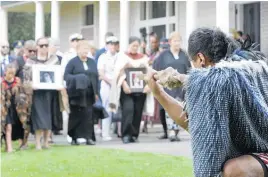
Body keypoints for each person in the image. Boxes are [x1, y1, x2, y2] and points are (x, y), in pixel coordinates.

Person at [145, 27, 268, 177]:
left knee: (233, 170)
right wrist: (175, 82)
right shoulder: (254, 67)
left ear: (201, 59)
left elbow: (199, 133)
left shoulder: (213, 84)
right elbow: (194, 121)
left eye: (193, 63)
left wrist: (161, 90)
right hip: (260, 151)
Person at [109, 36, 150, 144]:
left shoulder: (143, 58)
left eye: (137, 46)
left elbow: (148, 73)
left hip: (140, 90)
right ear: (129, 45)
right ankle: (126, 135)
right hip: (127, 90)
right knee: (128, 110)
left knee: (138, 111)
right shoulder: (122, 57)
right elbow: (118, 73)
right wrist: (124, 84)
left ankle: (134, 135)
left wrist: (147, 85)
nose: (135, 48)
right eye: (133, 45)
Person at [153, 32, 191, 141]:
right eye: (175, 41)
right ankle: (171, 132)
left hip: (181, 88)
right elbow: (156, 69)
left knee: (180, 108)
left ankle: (175, 131)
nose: (177, 43)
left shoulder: (184, 55)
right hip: (168, 87)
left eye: (179, 41)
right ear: (170, 42)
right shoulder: (163, 55)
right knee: (169, 108)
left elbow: (189, 70)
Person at [64, 40, 99, 146]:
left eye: (87, 49)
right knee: (76, 115)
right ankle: (74, 137)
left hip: (89, 93)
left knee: (88, 115)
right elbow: (66, 76)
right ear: (77, 50)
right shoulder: (72, 62)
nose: (85, 51)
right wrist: (78, 78)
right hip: (76, 93)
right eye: (83, 49)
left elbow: (96, 77)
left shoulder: (92, 62)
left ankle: (88, 137)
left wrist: (96, 92)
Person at [97, 36, 120, 141]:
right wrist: (111, 82)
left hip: (118, 84)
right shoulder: (103, 57)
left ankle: (118, 131)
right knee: (108, 108)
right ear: (107, 45)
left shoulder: (120, 56)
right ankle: (105, 132)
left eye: (115, 44)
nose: (113, 46)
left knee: (118, 107)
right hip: (107, 84)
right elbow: (101, 73)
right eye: (111, 44)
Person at [1, 64, 22, 152]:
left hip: (16, 107)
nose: (10, 75)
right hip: (5, 107)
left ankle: (22, 144)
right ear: (5, 72)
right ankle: (9, 148)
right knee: (8, 127)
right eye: (9, 73)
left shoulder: (17, 81)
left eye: (12, 73)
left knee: (18, 126)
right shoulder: (1, 82)